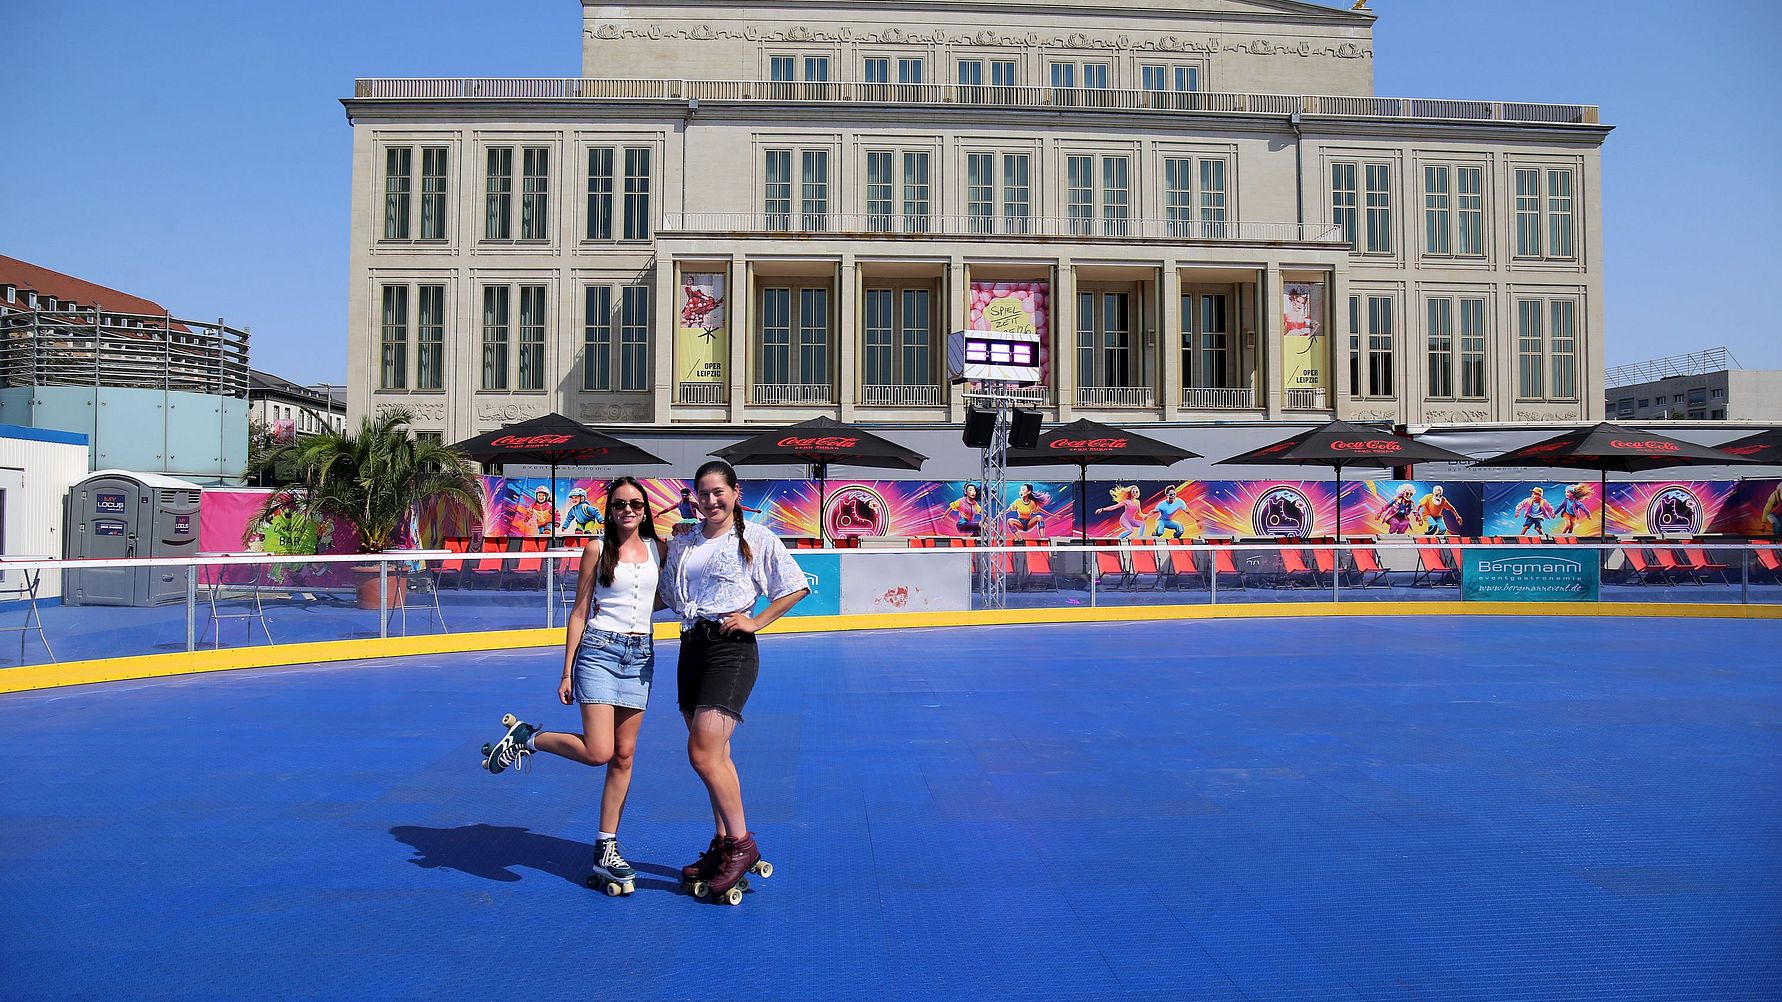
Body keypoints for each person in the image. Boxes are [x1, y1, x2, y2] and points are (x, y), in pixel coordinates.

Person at [477, 477, 663, 896]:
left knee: (625, 755)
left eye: (635, 503)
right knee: (600, 752)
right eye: (619, 504)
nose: (628, 510)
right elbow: (580, 611)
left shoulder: (658, 549)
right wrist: (566, 670)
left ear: (646, 507)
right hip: (599, 651)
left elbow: (657, 597)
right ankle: (531, 738)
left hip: (640, 656)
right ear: (609, 509)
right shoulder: (597, 550)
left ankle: (606, 847)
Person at [659, 460, 810, 905]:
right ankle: (723, 843)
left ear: (735, 492)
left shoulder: (755, 538)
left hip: (730, 648)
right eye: (703, 493)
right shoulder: (683, 542)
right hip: (692, 646)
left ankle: (742, 845)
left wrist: (755, 621)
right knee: (717, 754)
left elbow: (794, 586)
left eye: (718, 492)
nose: (710, 500)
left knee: (702, 752)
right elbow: (668, 595)